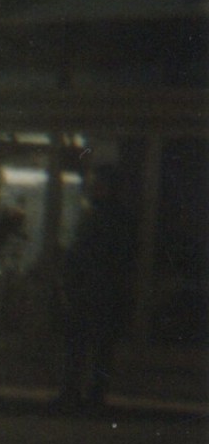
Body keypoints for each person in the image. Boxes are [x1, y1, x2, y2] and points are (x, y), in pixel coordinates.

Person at [55, 166, 136, 412]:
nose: (95, 189)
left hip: (96, 291)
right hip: (97, 291)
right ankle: (89, 392)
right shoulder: (109, 216)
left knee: (87, 345)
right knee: (93, 346)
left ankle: (80, 391)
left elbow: (87, 254)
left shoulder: (100, 217)